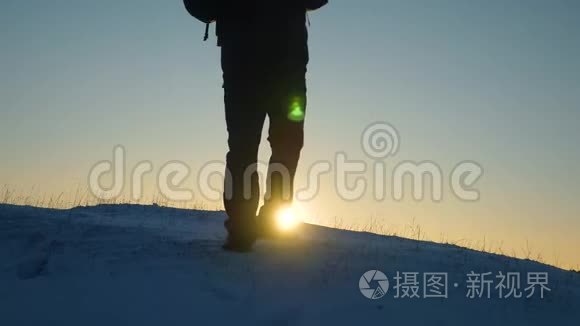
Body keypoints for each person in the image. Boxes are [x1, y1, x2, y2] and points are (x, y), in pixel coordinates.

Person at [185, 0, 328, 251]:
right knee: (263, 146)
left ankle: (259, 224)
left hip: (265, 66)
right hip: (267, 67)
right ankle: (252, 225)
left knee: (264, 145)